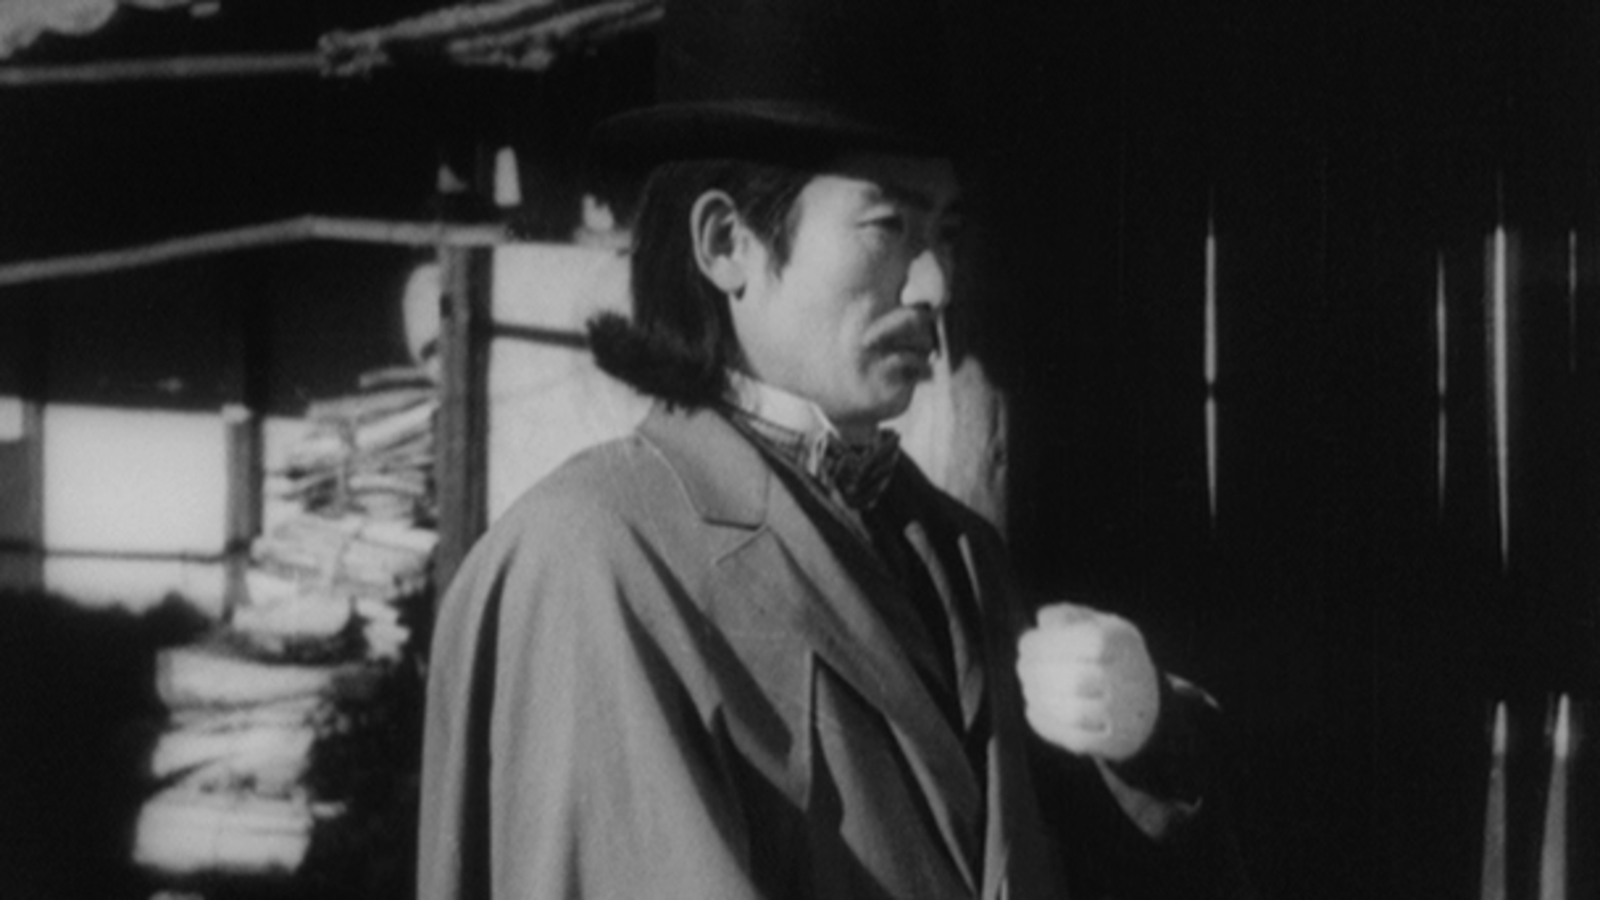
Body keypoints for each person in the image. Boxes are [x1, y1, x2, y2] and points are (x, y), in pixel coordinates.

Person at [419, 0, 1251, 897]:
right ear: (727, 244)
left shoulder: (958, 554)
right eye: (889, 226)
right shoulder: (592, 558)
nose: (935, 285)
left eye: (947, 234)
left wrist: (1142, 736)